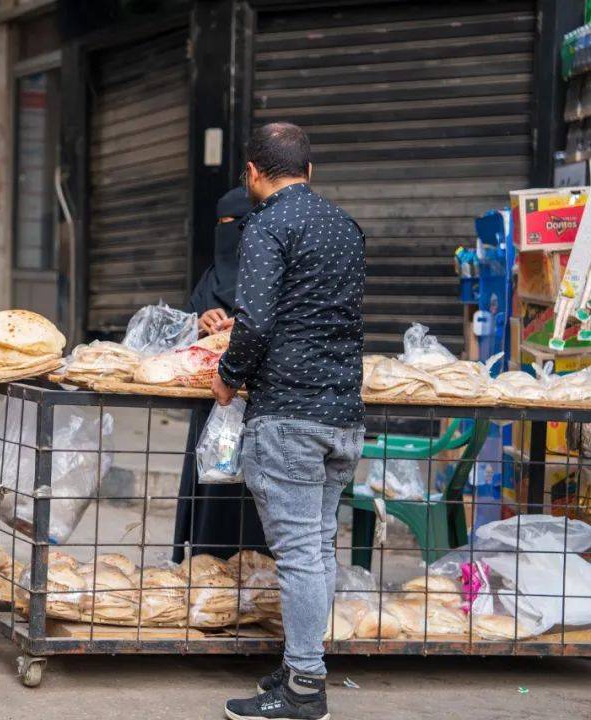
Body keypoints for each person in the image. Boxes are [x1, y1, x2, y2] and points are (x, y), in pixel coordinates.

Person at [213, 123, 366, 720]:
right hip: (343, 417)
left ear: (253, 172)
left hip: (291, 416)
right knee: (318, 550)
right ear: (311, 170)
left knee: (301, 553)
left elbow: (253, 321)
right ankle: (301, 663)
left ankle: (305, 686)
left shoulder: (267, 225)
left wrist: (228, 373)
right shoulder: (346, 227)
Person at [172, 186, 267, 564]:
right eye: (220, 225)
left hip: (257, 406)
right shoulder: (212, 277)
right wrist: (198, 326)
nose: (224, 234)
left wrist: (240, 328)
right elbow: (177, 334)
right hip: (211, 408)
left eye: (232, 225)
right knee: (211, 494)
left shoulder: (269, 271)